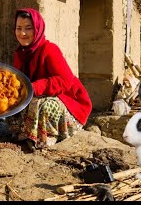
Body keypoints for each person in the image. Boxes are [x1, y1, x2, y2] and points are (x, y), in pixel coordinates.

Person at [7, 8, 92, 150]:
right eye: (18, 28)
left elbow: (65, 80)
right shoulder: (20, 54)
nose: (22, 33)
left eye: (28, 28)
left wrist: (33, 88)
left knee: (43, 105)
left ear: (38, 29)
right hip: (39, 96)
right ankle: (26, 134)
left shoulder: (50, 49)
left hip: (68, 102)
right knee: (11, 102)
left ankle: (46, 138)